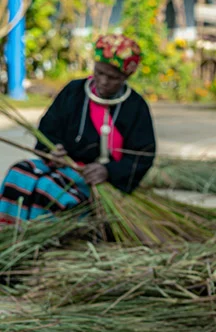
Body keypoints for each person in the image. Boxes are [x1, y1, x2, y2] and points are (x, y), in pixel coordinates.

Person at [0, 35, 156, 225]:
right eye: (99, 73)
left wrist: (108, 171)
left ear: (126, 76)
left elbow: (143, 155)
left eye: (113, 77)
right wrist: (52, 151)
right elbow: (48, 128)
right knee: (20, 172)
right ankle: (9, 231)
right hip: (62, 166)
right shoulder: (73, 92)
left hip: (96, 180)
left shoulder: (135, 107)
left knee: (47, 187)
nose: (103, 81)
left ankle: (43, 237)